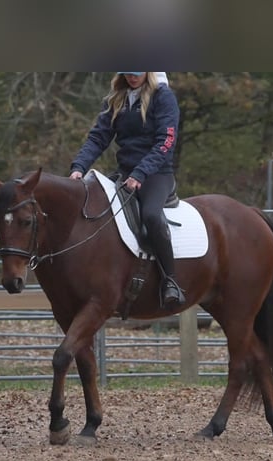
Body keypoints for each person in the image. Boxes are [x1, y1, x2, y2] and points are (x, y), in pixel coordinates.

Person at [70, 72, 185, 308]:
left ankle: (170, 281)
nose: (132, 77)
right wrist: (79, 167)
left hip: (156, 174)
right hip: (125, 173)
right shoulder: (117, 99)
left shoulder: (163, 97)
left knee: (151, 215)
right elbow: (98, 137)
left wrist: (140, 173)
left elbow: (166, 141)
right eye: (128, 72)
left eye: (137, 72)